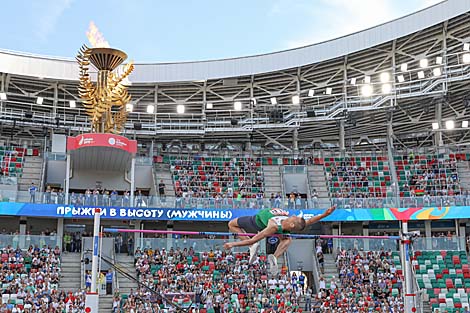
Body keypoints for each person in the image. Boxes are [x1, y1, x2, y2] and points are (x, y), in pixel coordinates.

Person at [224, 205, 335, 274]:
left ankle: (260, 252)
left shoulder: (273, 226)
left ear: (292, 224)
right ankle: (275, 258)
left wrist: (233, 244)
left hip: (255, 222)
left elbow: (253, 240)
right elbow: (310, 221)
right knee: (287, 239)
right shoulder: (287, 223)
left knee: (231, 224)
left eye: (294, 218)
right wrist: (325, 214)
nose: (293, 215)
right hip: (277, 226)